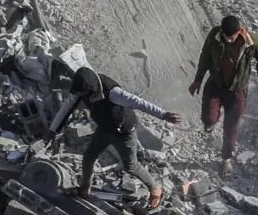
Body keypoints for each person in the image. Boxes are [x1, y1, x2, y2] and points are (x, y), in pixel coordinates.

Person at [48, 66, 182, 205]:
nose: (84, 98)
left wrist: (163, 114)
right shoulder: (81, 89)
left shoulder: (113, 92)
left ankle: (155, 188)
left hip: (124, 132)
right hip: (105, 128)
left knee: (131, 166)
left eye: (86, 94)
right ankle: (85, 188)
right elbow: (67, 106)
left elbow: (138, 102)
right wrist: (52, 130)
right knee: (88, 157)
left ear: (92, 88)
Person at [189, 14, 258, 173]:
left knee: (231, 127)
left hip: (237, 91)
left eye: (231, 38)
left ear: (240, 31)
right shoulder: (214, 35)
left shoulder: (251, 41)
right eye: (225, 37)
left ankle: (226, 159)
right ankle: (212, 122)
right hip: (215, 86)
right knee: (208, 119)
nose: (228, 40)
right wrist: (198, 80)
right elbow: (205, 57)